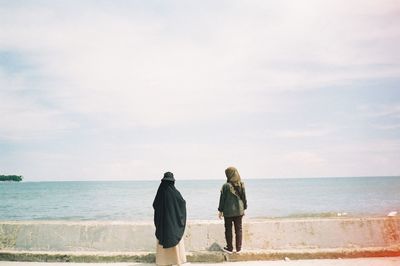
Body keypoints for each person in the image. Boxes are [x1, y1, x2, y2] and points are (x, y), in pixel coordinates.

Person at [153, 172, 187, 266]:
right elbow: (182, 203)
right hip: (173, 225)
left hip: (163, 224)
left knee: (162, 239)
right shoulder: (175, 193)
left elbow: (155, 205)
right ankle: (176, 260)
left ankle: (162, 261)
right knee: (174, 238)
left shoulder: (160, 192)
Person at [218, 166, 247, 254]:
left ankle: (229, 248)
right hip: (239, 211)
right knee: (239, 229)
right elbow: (244, 198)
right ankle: (239, 248)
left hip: (228, 212)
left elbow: (222, 199)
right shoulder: (241, 184)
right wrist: (244, 208)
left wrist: (220, 210)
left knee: (228, 229)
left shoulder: (225, 186)